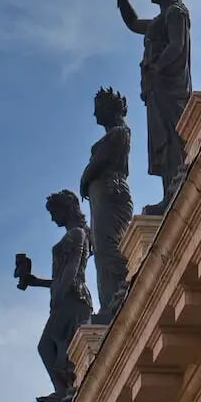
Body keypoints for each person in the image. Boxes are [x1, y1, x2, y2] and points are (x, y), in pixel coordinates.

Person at [111, 0, 190, 215]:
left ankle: (178, 187)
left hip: (170, 86)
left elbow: (177, 45)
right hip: (157, 88)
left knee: (173, 135)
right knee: (163, 141)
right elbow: (133, 23)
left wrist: (157, 66)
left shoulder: (175, 12)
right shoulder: (159, 19)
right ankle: (170, 190)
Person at [14, 190, 93, 402]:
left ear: (64, 209)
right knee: (53, 347)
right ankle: (64, 390)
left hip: (72, 300)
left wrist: (59, 295)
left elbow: (72, 271)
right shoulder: (74, 235)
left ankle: (65, 390)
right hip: (65, 298)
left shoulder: (78, 234)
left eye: (53, 212)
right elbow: (61, 278)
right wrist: (35, 281)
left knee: (50, 347)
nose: (52, 218)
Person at [80, 87, 133, 321]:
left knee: (107, 245)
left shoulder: (119, 133)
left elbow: (99, 162)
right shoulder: (115, 133)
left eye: (98, 109)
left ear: (109, 108)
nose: (95, 116)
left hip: (112, 191)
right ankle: (110, 301)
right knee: (101, 249)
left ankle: (130, 279)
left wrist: (85, 178)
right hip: (103, 195)